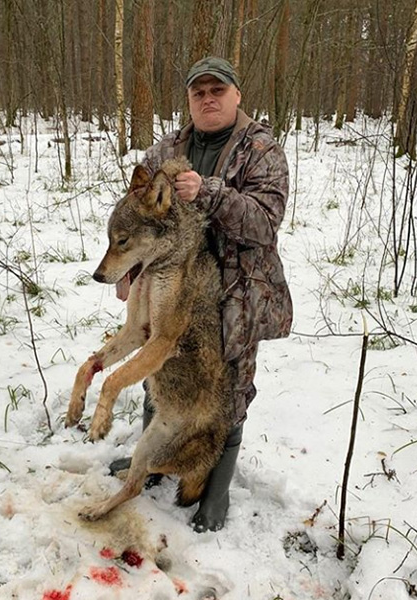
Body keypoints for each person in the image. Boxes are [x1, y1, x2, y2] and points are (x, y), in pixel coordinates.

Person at [110, 56, 293, 532]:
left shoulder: (261, 149)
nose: (208, 99)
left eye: (217, 90)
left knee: (229, 389)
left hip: (236, 291)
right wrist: (131, 269)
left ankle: (216, 489)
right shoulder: (167, 148)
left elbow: (264, 224)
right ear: (189, 100)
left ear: (236, 95)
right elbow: (138, 215)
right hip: (171, 282)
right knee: (160, 372)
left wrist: (209, 192)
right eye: (199, 92)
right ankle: (149, 465)